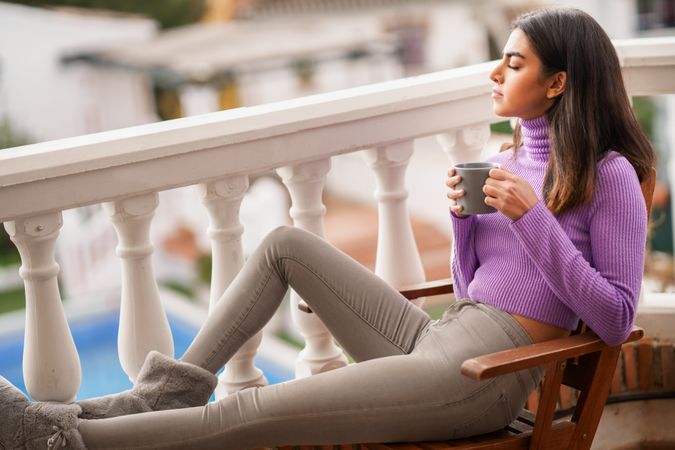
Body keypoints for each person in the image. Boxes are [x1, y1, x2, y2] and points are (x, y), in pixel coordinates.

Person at [0, 7, 655, 450]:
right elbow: (471, 287)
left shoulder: (611, 176)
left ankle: (51, 438)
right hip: (444, 335)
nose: (494, 73)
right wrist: (462, 224)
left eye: (513, 64)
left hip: (481, 377)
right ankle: (164, 392)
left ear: (558, 82)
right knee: (286, 245)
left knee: (249, 412)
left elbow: (614, 321)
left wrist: (531, 219)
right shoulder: (510, 158)